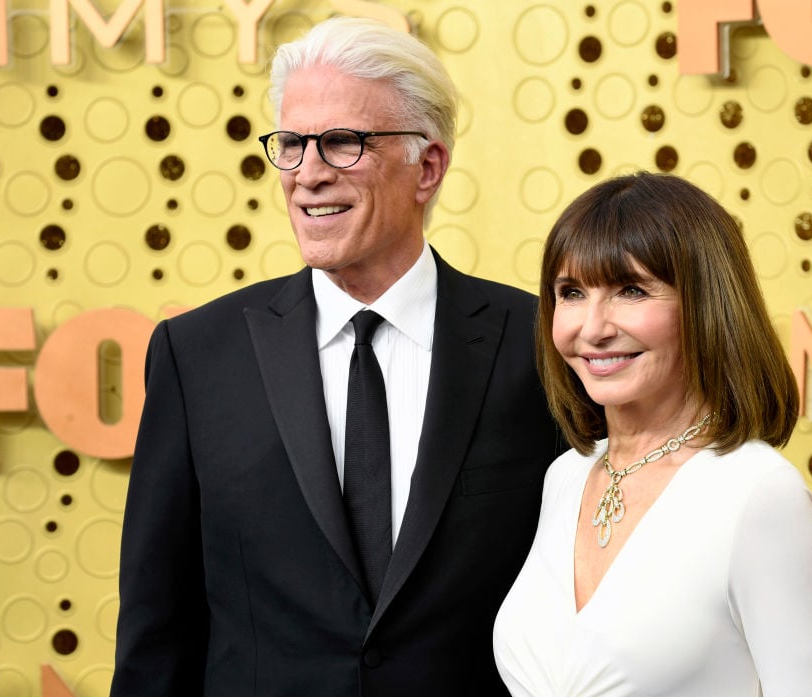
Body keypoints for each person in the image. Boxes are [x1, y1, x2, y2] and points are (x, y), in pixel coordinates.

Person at [111, 16, 561, 697]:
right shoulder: (196, 355)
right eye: (290, 145)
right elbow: (156, 635)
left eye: (343, 143)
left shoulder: (539, 345)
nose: (308, 174)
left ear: (428, 166)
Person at [493, 172, 812, 696]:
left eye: (631, 290)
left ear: (706, 305)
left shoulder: (758, 494)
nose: (592, 328)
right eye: (571, 293)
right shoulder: (566, 476)